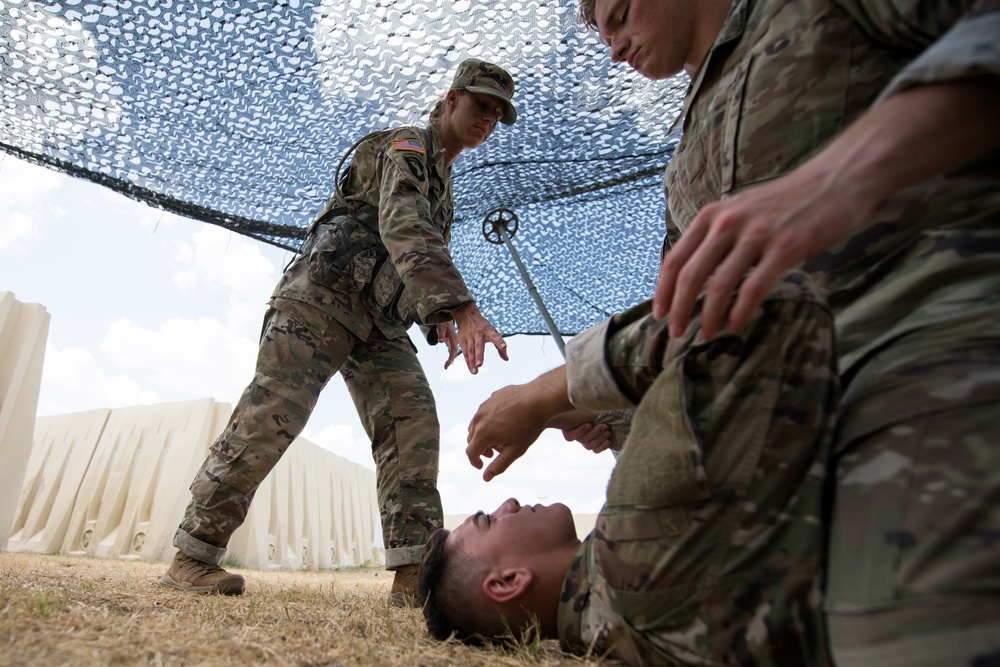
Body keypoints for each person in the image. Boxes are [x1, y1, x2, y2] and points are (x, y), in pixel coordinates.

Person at [576, 1, 1000, 665]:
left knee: (903, 631)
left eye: (619, 14)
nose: (613, 45)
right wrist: (620, 416)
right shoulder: (686, 154)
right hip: (785, 428)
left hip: (915, 336)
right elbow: (689, 336)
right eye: (599, 32)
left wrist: (844, 175)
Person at [159, 58, 518, 605]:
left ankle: (415, 576)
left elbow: (408, 254)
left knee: (412, 419)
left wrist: (436, 317)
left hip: (377, 324)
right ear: (450, 99)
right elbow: (403, 224)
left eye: (497, 113)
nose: (488, 119)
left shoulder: (442, 185)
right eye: (479, 105)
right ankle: (193, 555)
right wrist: (461, 308)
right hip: (322, 298)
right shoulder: (408, 147)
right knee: (274, 413)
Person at [420, 273, 840, 665]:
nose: (508, 502)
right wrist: (546, 395)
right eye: (488, 520)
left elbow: (699, 478)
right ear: (508, 581)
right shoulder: (625, 550)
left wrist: (603, 420)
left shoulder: (609, 626)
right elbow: (765, 307)